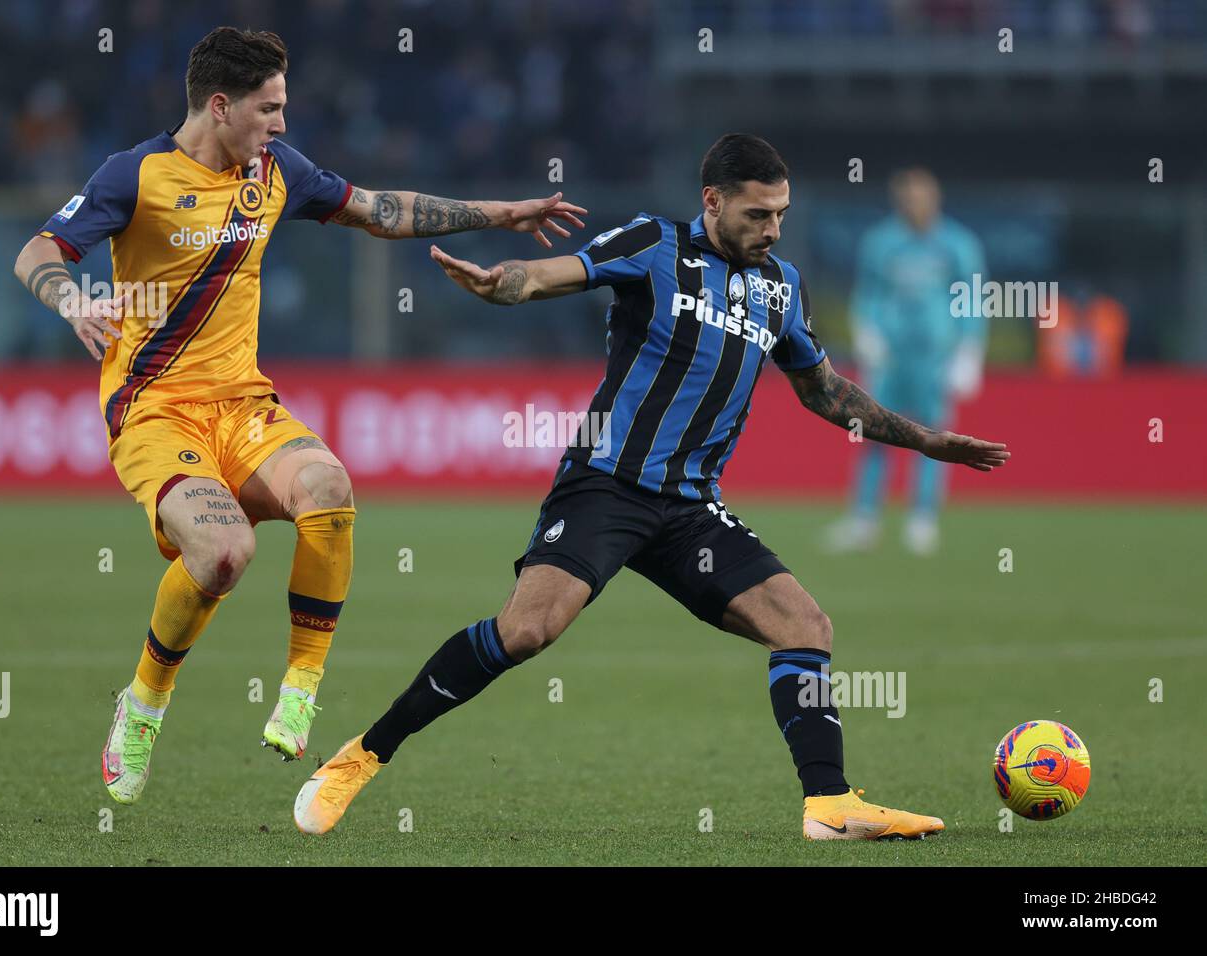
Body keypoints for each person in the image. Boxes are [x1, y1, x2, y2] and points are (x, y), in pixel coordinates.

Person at [294, 135, 1009, 840]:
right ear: (713, 201)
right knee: (526, 630)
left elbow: (823, 392)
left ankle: (828, 805)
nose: (773, 229)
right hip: (606, 486)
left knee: (806, 628)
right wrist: (499, 284)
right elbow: (553, 275)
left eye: (781, 214)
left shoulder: (780, 286)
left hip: (692, 509)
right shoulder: (653, 245)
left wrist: (924, 439)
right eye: (758, 214)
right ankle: (360, 757)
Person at [12, 26, 586, 805]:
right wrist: (72, 299)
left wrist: (498, 213)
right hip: (157, 413)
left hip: (244, 404)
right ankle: (143, 702)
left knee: (329, 486)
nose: (282, 123)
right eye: (269, 108)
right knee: (223, 554)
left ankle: (300, 689)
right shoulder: (136, 175)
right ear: (221, 106)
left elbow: (381, 209)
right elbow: (37, 252)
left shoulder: (278, 171)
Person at [825, 168, 988, 555]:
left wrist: (969, 352)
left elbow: (973, 299)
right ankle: (864, 520)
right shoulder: (882, 242)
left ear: (935, 199)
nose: (915, 205)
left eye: (922, 197)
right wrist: (867, 333)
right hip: (891, 358)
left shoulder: (958, 243)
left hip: (935, 356)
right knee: (873, 432)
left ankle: (922, 519)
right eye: (908, 198)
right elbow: (867, 293)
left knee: (935, 436)